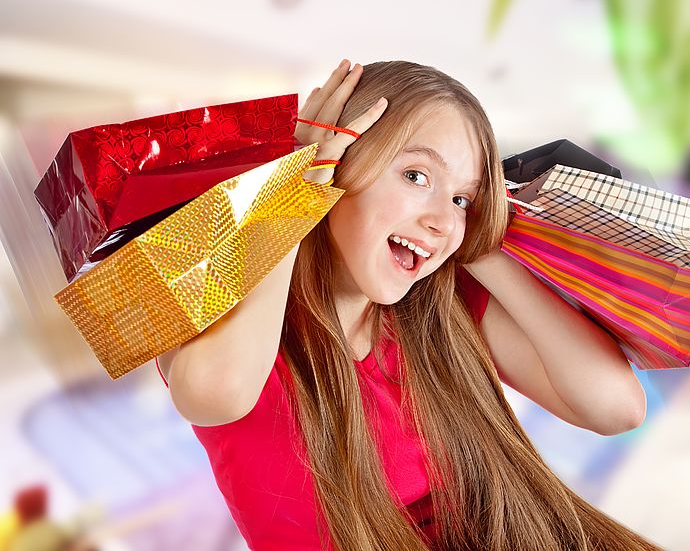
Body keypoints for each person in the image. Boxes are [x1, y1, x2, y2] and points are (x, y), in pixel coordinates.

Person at [155, 60, 659, 550]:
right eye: (417, 176)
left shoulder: (441, 309)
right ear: (334, 163)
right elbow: (212, 393)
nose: (443, 219)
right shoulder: (223, 302)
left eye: (462, 199)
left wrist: (481, 243)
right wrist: (290, 194)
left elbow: (617, 408)